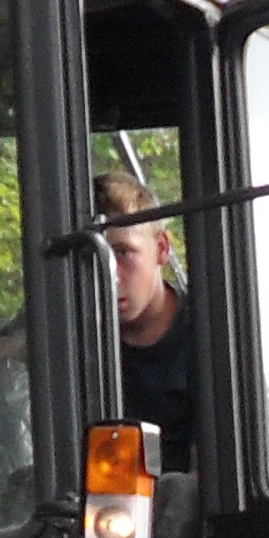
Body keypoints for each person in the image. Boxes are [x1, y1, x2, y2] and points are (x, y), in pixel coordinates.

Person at [96, 170, 194, 467]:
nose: (109, 277)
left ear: (161, 249)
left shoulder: (209, 334)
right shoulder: (65, 323)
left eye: (123, 253)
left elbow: (219, 477)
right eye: (97, 260)